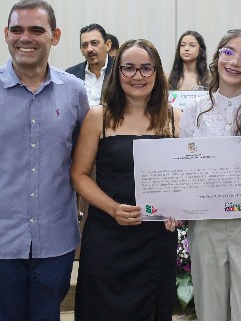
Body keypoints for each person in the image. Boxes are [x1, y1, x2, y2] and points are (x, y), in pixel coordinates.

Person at [0, 0, 89, 320]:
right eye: (17, 29)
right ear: (6, 34)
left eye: (37, 30)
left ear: (55, 36)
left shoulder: (75, 92)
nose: (26, 38)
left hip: (56, 242)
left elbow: (84, 162)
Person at [70, 38, 180, 320]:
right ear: (117, 72)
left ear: (157, 72)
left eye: (146, 68)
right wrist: (113, 208)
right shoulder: (98, 117)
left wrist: (180, 211)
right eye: (128, 68)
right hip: (107, 233)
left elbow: (188, 177)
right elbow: (79, 175)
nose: (137, 76)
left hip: (156, 237)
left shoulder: (175, 118)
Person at [179, 29, 241, 321]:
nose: (235, 62)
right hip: (205, 218)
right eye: (229, 52)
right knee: (210, 307)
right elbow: (183, 168)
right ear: (217, 56)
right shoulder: (194, 110)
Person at [66, 23, 115, 107]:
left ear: (107, 45)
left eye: (94, 43)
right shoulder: (71, 74)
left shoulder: (119, 71)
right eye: (85, 45)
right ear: (81, 50)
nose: (89, 49)